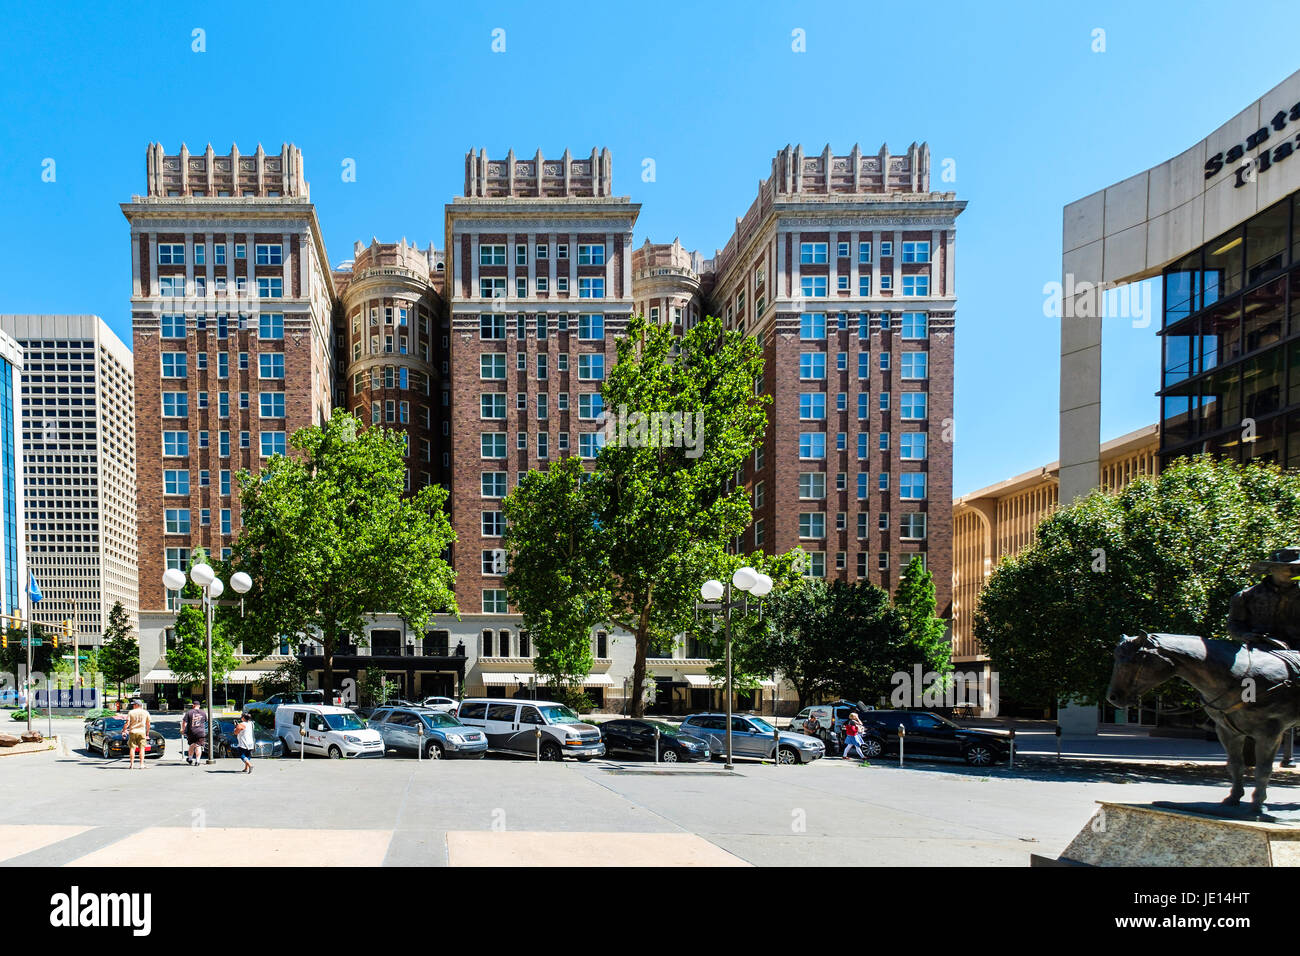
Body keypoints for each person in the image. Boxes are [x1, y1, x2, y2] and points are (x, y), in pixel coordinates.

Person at [1228, 546, 1300, 651]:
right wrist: (1244, 635)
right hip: (1258, 650)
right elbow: (1235, 623)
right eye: (1290, 567)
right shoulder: (1246, 596)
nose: (1296, 572)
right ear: (1273, 569)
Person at [124, 699, 151, 769]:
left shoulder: (131, 712)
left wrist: (124, 730)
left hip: (133, 731)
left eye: (134, 704)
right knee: (142, 748)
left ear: (137, 705)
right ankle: (141, 764)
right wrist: (147, 732)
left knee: (132, 748)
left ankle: (132, 764)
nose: (133, 706)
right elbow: (148, 724)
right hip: (142, 732)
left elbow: (127, 723)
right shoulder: (145, 712)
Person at [181, 700, 207, 766]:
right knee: (198, 746)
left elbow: (184, 722)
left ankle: (190, 759)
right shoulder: (203, 713)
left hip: (192, 732)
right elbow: (205, 721)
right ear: (199, 706)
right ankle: (197, 761)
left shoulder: (189, 712)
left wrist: (183, 730)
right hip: (201, 732)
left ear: (193, 705)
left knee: (192, 745)